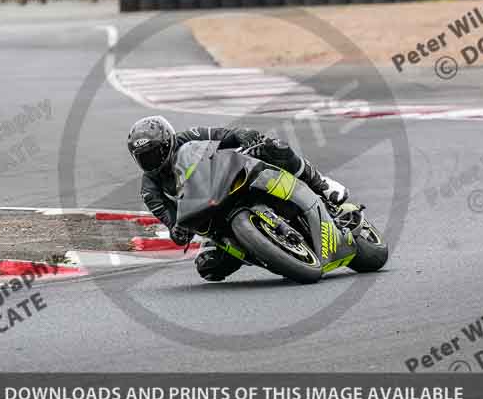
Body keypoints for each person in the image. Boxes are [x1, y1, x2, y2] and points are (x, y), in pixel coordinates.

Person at [128, 115, 349, 282]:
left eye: (154, 153)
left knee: (275, 148)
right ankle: (263, 250)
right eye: (144, 158)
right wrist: (178, 231)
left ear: (168, 142)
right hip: (210, 218)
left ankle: (321, 184)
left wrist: (243, 135)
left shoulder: (189, 137)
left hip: (226, 181)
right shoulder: (150, 190)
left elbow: (225, 135)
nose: (151, 161)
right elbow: (172, 223)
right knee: (208, 267)